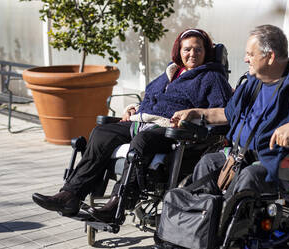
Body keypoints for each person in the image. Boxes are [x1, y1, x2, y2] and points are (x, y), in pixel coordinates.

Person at [32, 28, 233, 222]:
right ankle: (70, 195)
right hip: (141, 121)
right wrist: (134, 108)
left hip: (172, 131)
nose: (192, 53)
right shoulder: (170, 73)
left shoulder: (212, 77)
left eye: (198, 49)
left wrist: (194, 120)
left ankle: (118, 202)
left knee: (142, 141)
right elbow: (153, 99)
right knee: (101, 133)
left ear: (206, 52)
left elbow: (224, 113)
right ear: (179, 51)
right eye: (187, 49)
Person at [170, 25, 289, 198]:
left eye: (251, 54)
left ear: (270, 57)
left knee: (249, 178)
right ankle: (199, 217)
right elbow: (227, 114)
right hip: (242, 156)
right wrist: (194, 113)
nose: (245, 59)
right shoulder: (253, 82)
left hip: (280, 166)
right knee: (207, 163)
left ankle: (220, 221)